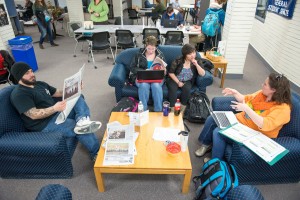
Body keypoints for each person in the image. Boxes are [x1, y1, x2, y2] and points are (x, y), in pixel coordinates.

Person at [10, 62, 101, 161]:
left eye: (31, 71)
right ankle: (96, 153)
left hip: (57, 113)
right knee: (76, 126)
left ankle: (82, 120)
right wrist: (54, 108)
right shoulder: (19, 94)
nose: (32, 74)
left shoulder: (39, 84)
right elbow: (33, 115)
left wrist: (75, 88)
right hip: (43, 124)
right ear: (19, 76)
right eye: (27, 73)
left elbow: (57, 93)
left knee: (78, 97)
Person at [195, 73, 292, 162]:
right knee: (213, 117)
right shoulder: (262, 94)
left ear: (273, 90)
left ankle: (215, 162)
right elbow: (246, 99)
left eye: (265, 84)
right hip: (240, 123)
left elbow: (264, 124)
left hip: (255, 133)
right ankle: (205, 144)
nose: (262, 85)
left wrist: (247, 109)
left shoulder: (283, 109)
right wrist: (235, 92)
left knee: (218, 132)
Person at [129, 36, 166, 112]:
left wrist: (164, 70)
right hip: (142, 77)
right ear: (145, 46)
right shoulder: (139, 54)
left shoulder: (160, 55)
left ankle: (158, 110)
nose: (151, 51)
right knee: (143, 85)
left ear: (156, 47)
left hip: (156, 78)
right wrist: (143, 71)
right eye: (149, 48)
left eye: (153, 49)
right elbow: (132, 67)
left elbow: (165, 70)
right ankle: (143, 110)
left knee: (156, 86)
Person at [167, 44, 206, 113]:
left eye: (194, 53)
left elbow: (202, 74)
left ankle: (182, 109)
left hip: (187, 80)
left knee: (187, 89)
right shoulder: (178, 60)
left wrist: (196, 65)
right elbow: (171, 73)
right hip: (175, 78)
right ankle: (172, 109)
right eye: (190, 54)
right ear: (185, 54)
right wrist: (178, 82)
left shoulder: (197, 60)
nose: (192, 55)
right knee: (172, 89)